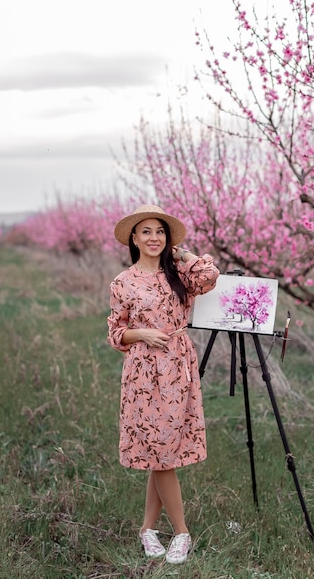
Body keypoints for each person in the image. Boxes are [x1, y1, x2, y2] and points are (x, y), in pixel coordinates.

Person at [107, 204, 220, 564]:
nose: (154, 237)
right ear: (134, 239)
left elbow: (210, 275)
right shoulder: (122, 282)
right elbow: (115, 332)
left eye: (160, 231)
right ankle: (182, 532)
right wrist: (139, 332)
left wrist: (181, 253)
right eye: (146, 232)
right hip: (143, 372)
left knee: (163, 451)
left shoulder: (180, 276)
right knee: (160, 451)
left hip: (178, 368)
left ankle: (147, 529)